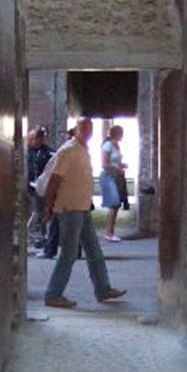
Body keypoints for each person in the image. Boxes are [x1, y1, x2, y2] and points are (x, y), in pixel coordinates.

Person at [42, 117, 126, 309]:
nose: (87, 132)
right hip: (70, 208)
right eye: (84, 129)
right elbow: (54, 181)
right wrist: (48, 207)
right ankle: (53, 294)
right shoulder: (68, 150)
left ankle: (103, 289)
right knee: (69, 253)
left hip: (82, 207)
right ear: (76, 129)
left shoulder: (83, 150)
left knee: (94, 251)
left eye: (90, 129)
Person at [26, 126, 53, 247]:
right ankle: (32, 235)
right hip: (27, 186)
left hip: (41, 188)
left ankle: (40, 236)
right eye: (29, 139)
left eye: (32, 139)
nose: (29, 141)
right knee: (34, 212)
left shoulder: (49, 154)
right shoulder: (25, 152)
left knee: (39, 212)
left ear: (40, 139)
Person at [99, 124, 127, 242]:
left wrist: (121, 165)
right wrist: (116, 168)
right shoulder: (108, 145)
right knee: (114, 204)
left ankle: (111, 232)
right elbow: (104, 164)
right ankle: (109, 233)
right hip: (108, 176)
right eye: (121, 133)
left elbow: (114, 161)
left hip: (116, 177)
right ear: (117, 134)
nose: (123, 136)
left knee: (116, 205)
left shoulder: (117, 145)